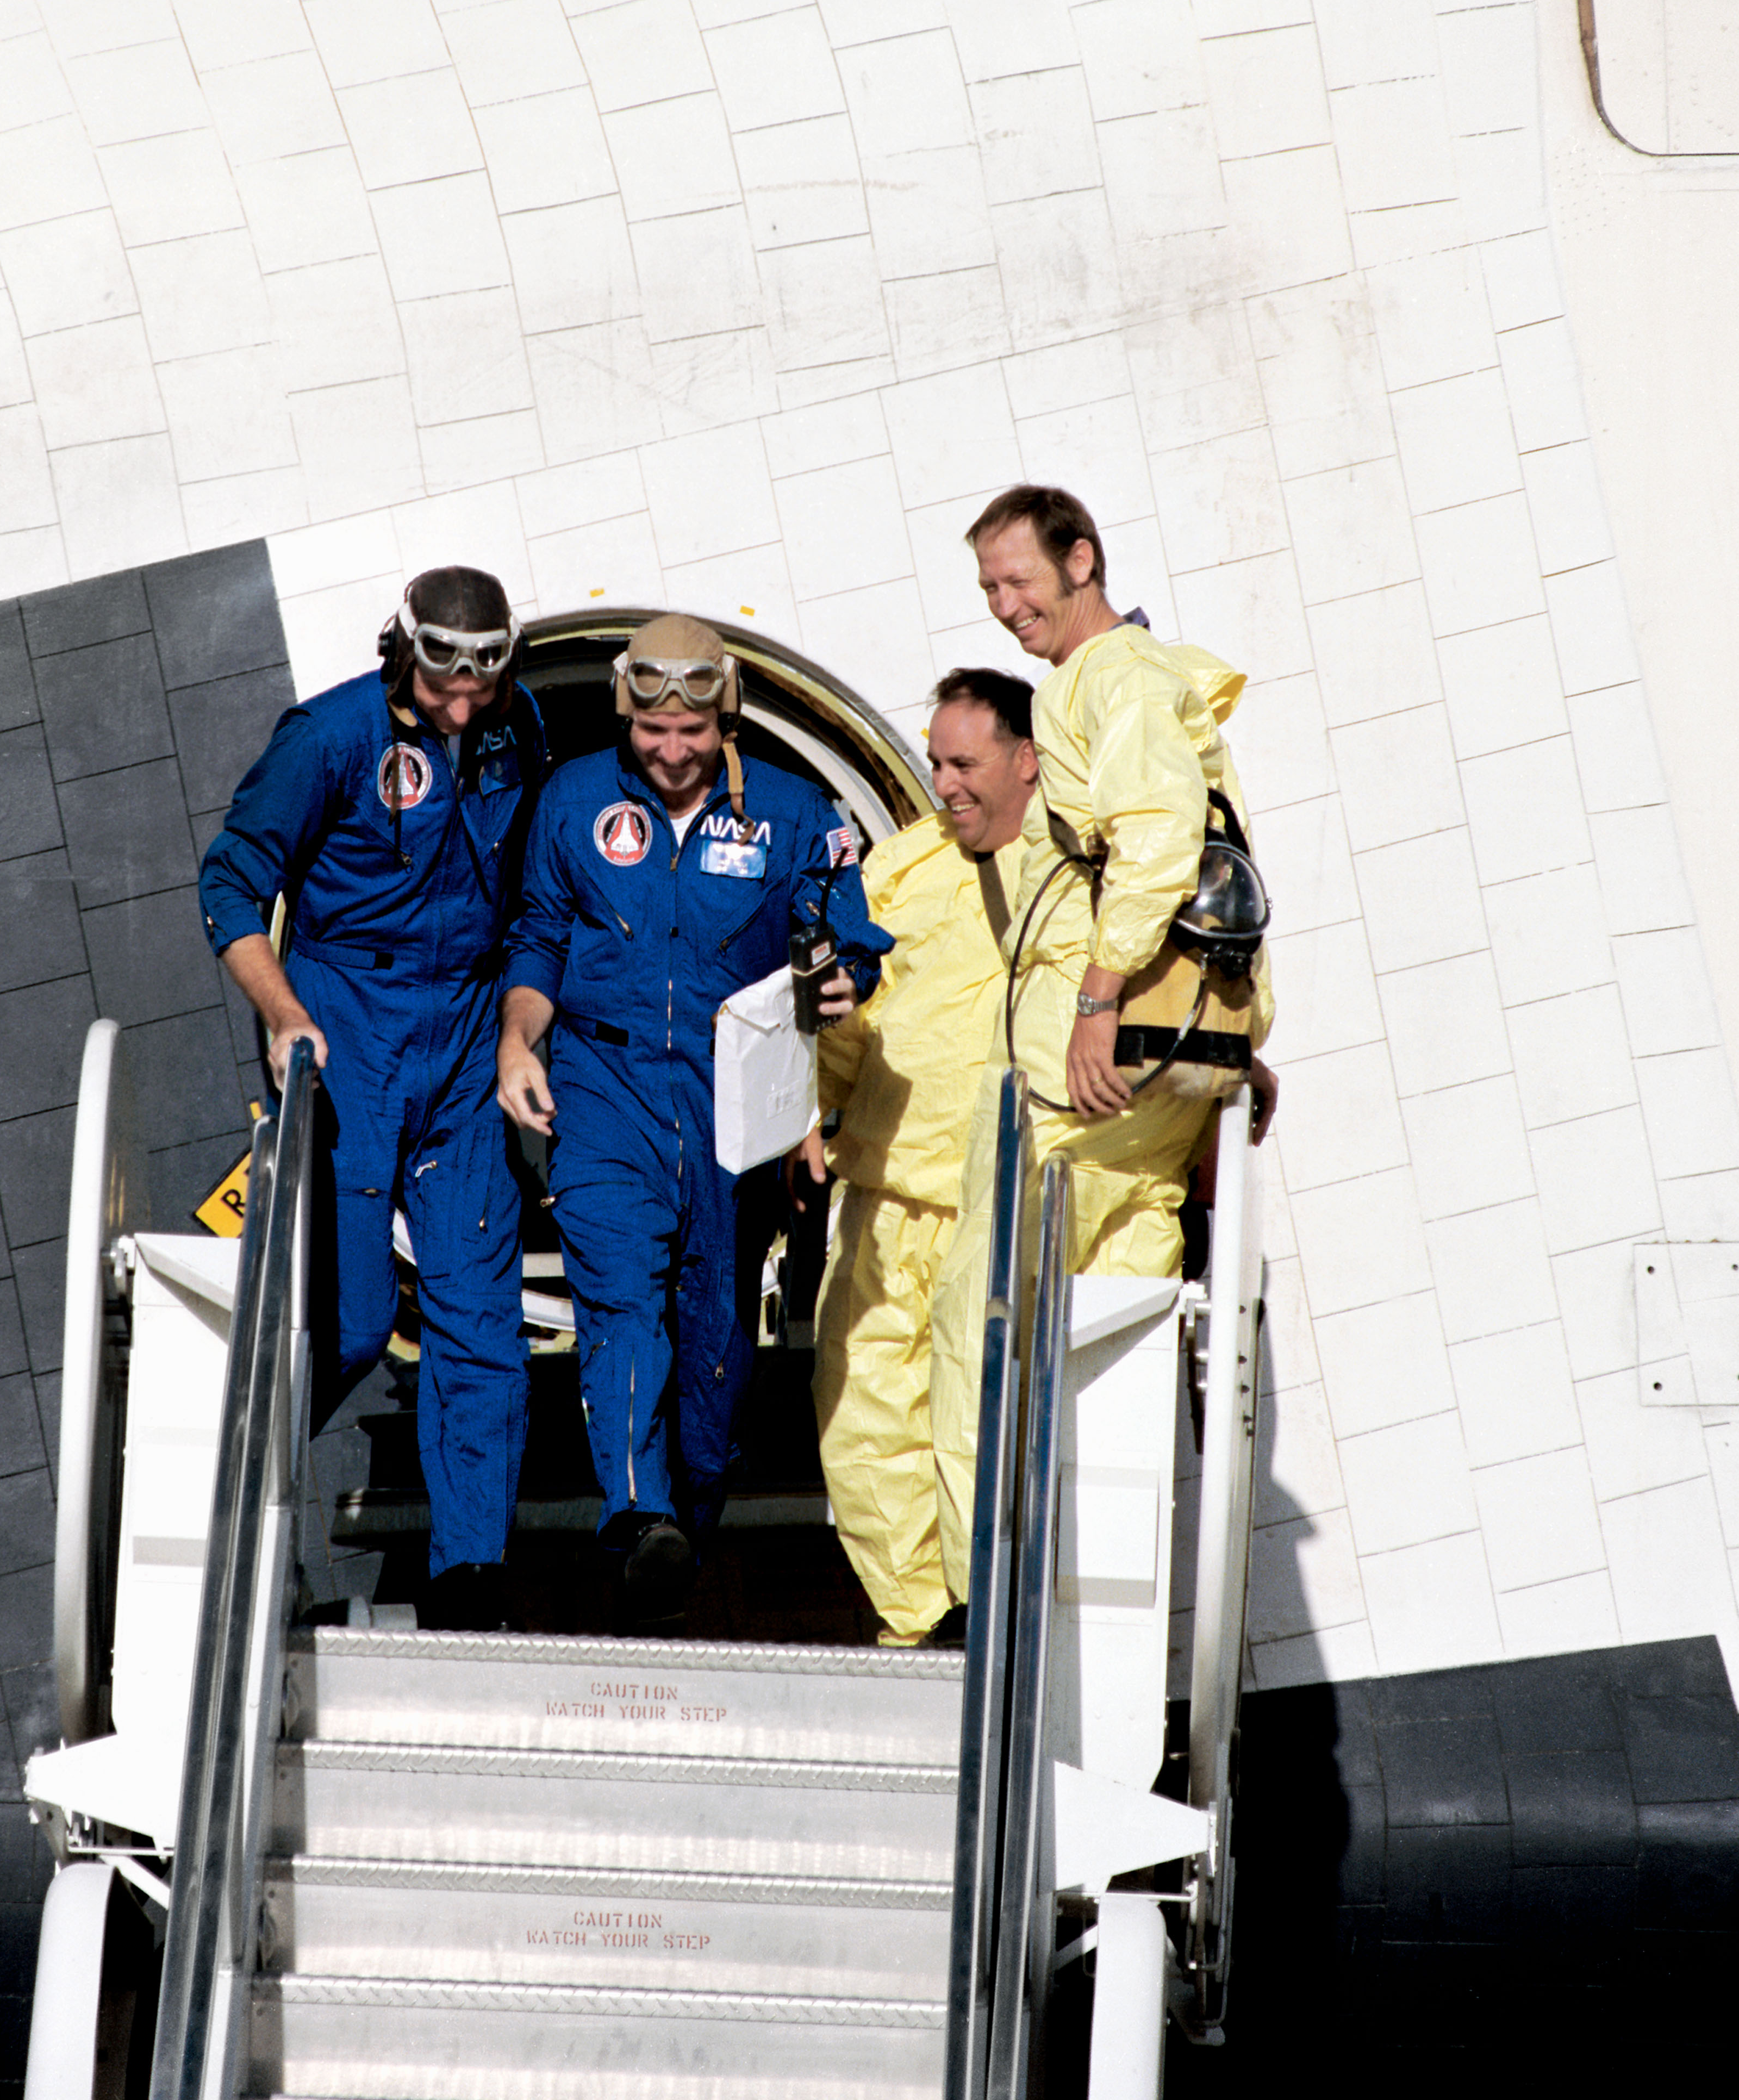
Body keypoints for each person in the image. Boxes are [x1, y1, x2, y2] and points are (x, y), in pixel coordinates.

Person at [497, 615, 886, 1623]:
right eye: (654, 732)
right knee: (621, 1295)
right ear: (627, 712)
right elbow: (539, 935)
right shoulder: (574, 800)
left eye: (694, 735)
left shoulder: (797, 816)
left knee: (714, 1337)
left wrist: (844, 976)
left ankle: (684, 1532)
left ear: (727, 721)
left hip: (731, 1099)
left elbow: (847, 932)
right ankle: (635, 1511)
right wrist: (517, 1038)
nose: (672, 754)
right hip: (605, 1088)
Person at [930, 485, 1276, 1593]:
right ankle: (1106, 1596)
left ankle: (986, 1603)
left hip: (1076, 1089)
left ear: (1083, 559)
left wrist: (1096, 1003)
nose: (1002, 606)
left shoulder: (1105, 682)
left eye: (1018, 580)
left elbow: (1161, 843)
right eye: (987, 587)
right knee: (1116, 1343)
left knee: (983, 1328)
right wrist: (1215, 1031)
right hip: (1162, 1081)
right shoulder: (1163, 681)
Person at [198, 568, 545, 1632]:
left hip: (464, 1037)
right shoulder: (328, 739)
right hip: (350, 1027)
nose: (463, 706)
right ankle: (230, 1496)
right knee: (345, 1321)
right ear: (406, 655)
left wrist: (518, 1033)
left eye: (482, 683)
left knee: (481, 1323)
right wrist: (282, 1010)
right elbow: (229, 880)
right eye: (445, 683)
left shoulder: (513, 725)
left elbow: (532, 891)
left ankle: (469, 1575)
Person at [804, 667, 1038, 1648]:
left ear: (1028, 762)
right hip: (883, 1189)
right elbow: (851, 1021)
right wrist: (811, 1117)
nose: (944, 783)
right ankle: (920, 1622)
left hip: (990, 1203)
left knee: (971, 1425)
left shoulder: (1070, 880)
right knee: (861, 1415)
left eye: (965, 763)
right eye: (936, 761)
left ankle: (987, 1616)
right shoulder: (900, 872)